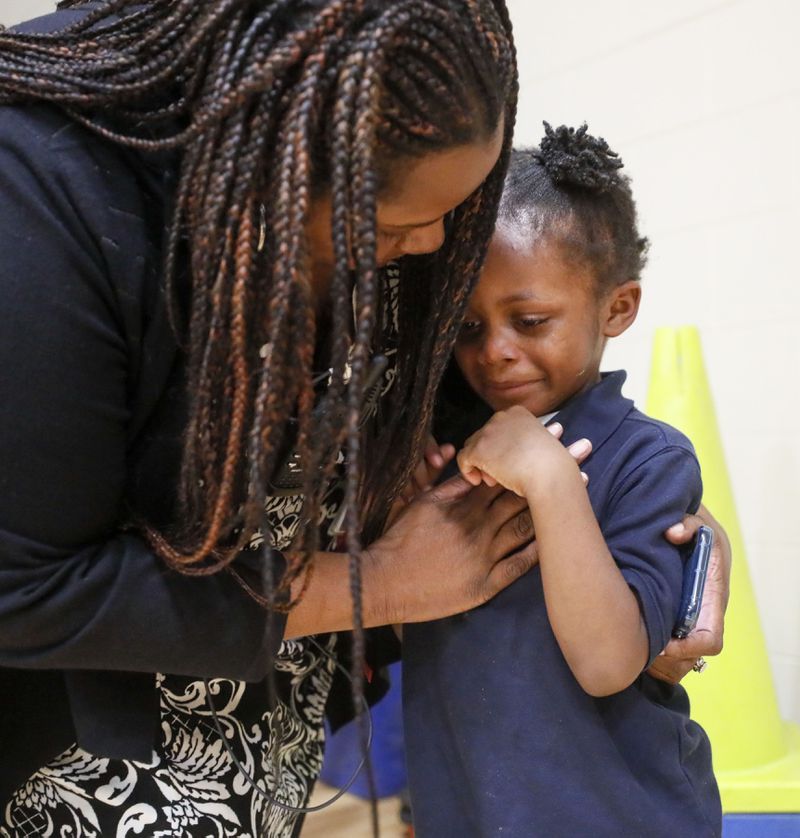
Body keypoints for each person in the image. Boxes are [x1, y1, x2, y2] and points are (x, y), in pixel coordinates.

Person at [0, 1, 728, 835]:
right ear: (276, 163)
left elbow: (601, 587)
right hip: (84, 751)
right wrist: (380, 581)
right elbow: (30, 586)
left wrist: (677, 541)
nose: (431, 246)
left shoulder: (416, 213)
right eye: (391, 229)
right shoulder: (44, 194)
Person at [402, 126, 722, 837]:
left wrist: (550, 480)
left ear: (617, 307)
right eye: (468, 328)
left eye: (531, 320)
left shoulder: (649, 459)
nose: (496, 353)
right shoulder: (449, 456)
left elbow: (609, 662)